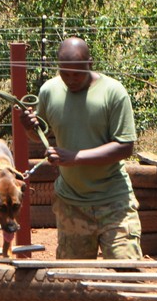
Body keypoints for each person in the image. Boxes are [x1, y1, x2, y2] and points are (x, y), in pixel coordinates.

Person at [18, 37, 143, 260]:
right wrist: (29, 127)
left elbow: (125, 146)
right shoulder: (49, 91)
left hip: (114, 201)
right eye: (65, 73)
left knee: (125, 270)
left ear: (90, 64)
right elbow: (39, 135)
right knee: (74, 276)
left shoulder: (113, 92)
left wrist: (75, 157)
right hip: (71, 204)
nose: (71, 80)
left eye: (77, 74)